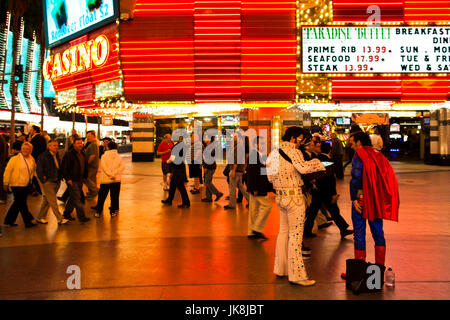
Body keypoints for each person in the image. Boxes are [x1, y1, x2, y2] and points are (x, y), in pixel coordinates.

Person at [266, 126, 325, 286]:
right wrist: (317, 162)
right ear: (293, 138)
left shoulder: (272, 153)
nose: (301, 144)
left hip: (280, 197)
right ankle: (297, 276)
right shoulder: (295, 152)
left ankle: (281, 269)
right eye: (301, 140)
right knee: (296, 236)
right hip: (295, 198)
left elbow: (270, 178)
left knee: (283, 233)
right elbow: (303, 168)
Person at [348, 131, 399, 268]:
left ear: (359, 142)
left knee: (359, 232)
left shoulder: (359, 154)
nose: (351, 146)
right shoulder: (378, 155)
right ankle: (379, 268)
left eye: (352, 143)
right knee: (378, 232)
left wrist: (354, 198)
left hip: (361, 198)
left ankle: (359, 269)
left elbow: (357, 176)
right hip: (376, 199)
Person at [304, 141, 354, 238]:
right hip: (326, 191)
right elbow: (330, 178)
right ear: (330, 150)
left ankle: (307, 230)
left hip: (318, 189)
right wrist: (333, 193)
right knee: (333, 210)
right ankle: (343, 229)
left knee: (313, 211)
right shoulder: (327, 159)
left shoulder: (317, 159)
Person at [3, 142, 38, 228]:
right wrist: (5, 183)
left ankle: (9, 220)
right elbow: (7, 171)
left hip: (26, 184)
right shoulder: (14, 159)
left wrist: (35, 181)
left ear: (31, 150)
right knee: (22, 203)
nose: (25, 150)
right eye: (24, 148)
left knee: (18, 203)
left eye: (27, 149)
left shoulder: (32, 159)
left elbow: (34, 171)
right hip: (16, 184)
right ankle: (28, 221)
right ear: (21, 149)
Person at [35, 140, 69, 225]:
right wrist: (43, 179)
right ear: (49, 146)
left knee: (47, 200)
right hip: (48, 182)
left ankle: (40, 217)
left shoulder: (56, 155)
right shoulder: (43, 156)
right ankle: (60, 218)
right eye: (54, 146)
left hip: (56, 180)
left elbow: (58, 166)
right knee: (53, 201)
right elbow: (39, 169)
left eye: (57, 145)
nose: (56, 147)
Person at [247, 136, 273, 240]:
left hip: (256, 186)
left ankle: (251, 232)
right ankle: (257, 229)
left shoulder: (258, 155)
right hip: (257, 187)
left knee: (254, 209)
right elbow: (252, 173)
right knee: (267, 206)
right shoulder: (254, 155)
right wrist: (254, 188)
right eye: (261, 143)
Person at [92, 141, 124, 218]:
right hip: (116, 180)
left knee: (102, 196)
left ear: (108, 147)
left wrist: (110, 174)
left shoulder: (104, 156)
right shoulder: (119, 157)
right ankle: (112, 212)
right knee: (114, 197)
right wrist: (114, 174)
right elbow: (122, 167)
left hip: (105, 180)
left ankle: (98, 212)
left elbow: (104, 167)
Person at [61, 138, 90, 222]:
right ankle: (81, 216)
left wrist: (85, 176)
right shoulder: (69, 154)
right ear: (74, 145)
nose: (80, 145)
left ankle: (66, 214)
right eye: (78, 143)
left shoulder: (83, 153)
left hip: (80, 179)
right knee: (77, 198)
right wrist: (68, 178)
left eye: (81, 143)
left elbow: (85, 166)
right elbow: (64, 168)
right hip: (72, 180)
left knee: (73, 198)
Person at [161, 137, 190, 208]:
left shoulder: (176, 147)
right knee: (172, 185)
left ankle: (186, 203)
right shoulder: (180, 145)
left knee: (181, 187)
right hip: (178, 168)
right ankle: (169, 200)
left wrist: (167, 161)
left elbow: (173, 158)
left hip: (177, 169)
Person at [224, 133, 249, 210]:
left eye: (235, 137)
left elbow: (236, 159)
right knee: (241, 187)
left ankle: (232, 204)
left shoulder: (238, 147)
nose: (233, 138)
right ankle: (251, 200)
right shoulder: (238, 146)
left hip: (236, 170)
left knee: (232, 188)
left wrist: (234, 170)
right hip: (239, 170)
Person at [201, 136, 223, 203]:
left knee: (207, 182)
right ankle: (208, 197)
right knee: (207, 182)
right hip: (209, 166)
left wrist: (206, 167)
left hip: (210, 167)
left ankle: (217, 193)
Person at [29, 125, 47, 195]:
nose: (30, 131)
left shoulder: (36, 139)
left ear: (34, 131)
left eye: (31, 129)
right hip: (40, 159)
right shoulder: (41, 138)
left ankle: (37, 189)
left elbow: (35, 150)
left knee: (34, 174)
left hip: (36, 159)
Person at [84, 130, 100, 198]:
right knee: (92, 179)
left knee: (88, 179)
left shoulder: (93, 144)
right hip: (93, 166)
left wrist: (87, 163)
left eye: (89, 136)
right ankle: (92, 192)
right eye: (87, 136)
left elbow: (92, 156)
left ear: (94, 136)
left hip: (92, 166)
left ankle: (95, 190)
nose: (88, 138)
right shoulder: (92, 144)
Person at [0, 134, 8, 204]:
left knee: (1, 180)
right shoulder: (2, 139)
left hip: (1, 162)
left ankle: (3, 197)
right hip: (2, 162)